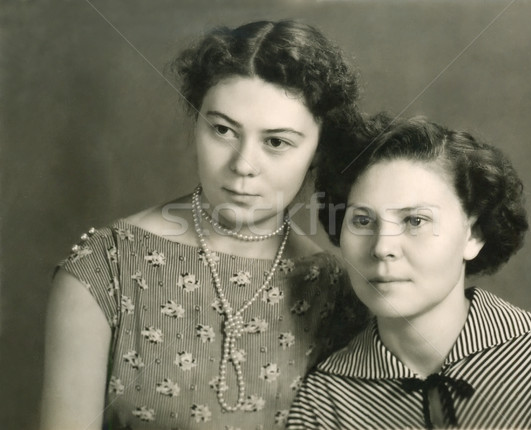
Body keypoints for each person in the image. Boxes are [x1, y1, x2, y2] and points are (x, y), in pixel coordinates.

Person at [40, 20, 364, 430]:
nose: (243, 165)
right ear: (196, 123)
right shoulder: (106, 267)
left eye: (276, 142)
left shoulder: (337, 288)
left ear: (318, 151)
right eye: (223, 130)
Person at [287, 115, 531, 429]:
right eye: (363, 221)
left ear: (473, 234)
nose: (383, 247)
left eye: (416, 221)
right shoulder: (323, 401)